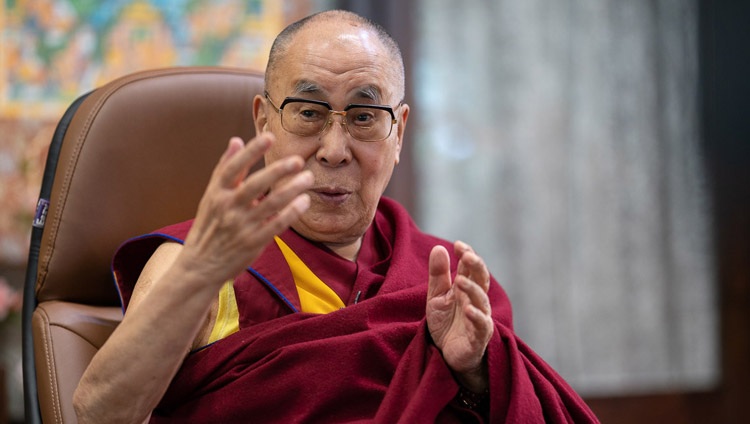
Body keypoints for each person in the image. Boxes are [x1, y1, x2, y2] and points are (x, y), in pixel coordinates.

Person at [73, 9, 598, 424]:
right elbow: (99, 412)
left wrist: (473, 373)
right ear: (264, 123)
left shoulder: (444, 278)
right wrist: (198, 273)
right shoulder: (199, 263)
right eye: (308, 112)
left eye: (365, 117)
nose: (333, 149)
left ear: (399, 134)